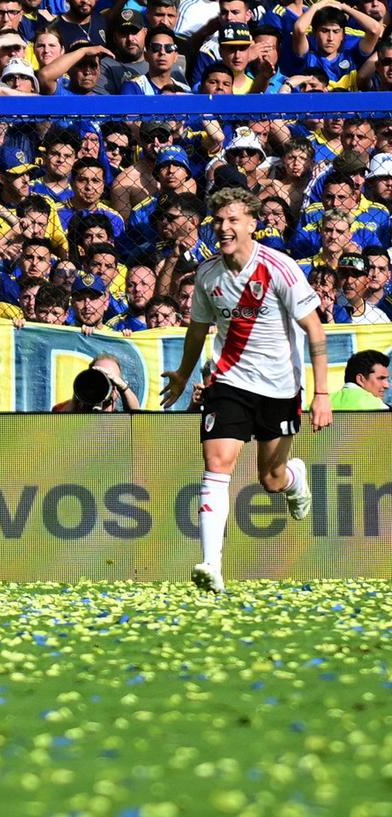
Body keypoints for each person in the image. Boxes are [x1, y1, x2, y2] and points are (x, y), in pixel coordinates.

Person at [161, 188, 332, 595]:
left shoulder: (280, 268)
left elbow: (315, 330)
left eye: (233, 219)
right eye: (218, 220)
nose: (224, 228)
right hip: (228, 382)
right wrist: (185, 376)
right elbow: (198, 330)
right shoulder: (207, 274)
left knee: (270, 479)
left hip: (279, 388)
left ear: (253, 224)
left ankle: (294, 478)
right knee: (217, 462)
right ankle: (210, 564)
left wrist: (321, 393)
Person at [53, 354, 141, 412]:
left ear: (117, 388)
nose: (102, 384)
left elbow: (136, 416)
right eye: (99, 377)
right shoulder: (70, 408)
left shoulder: (121, 420)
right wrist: (77, 398)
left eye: (111, 380)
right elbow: (56, 425)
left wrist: (123, 386)